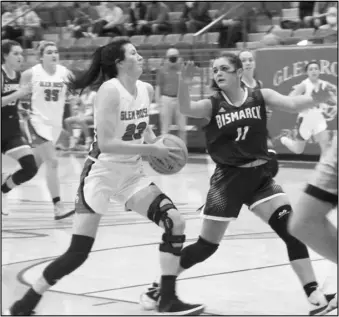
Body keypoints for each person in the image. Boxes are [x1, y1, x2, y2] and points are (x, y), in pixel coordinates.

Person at [5, 38, 205, 316]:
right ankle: (26, 302)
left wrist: (159, 145)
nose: (141, 57)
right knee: (78, 253)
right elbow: (108, 144)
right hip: (100, 175)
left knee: (175, 221)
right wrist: (151, 148)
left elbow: (144, 129)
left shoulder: (145, 89)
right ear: (120, 63)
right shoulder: (109, 92)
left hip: (131, 175)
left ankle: (166, 299)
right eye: (134, 53)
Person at [140, 52, 336, 315]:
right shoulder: (213, 104)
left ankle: (313, 294)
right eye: (215, 70)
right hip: (227, 181)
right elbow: (186, 109)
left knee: (292, 230)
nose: (218, 73)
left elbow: (291, 104)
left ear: (238, 72)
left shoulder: (260, 95)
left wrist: (316, 98)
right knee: (206, 247)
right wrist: (183, 83)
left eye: (223, 68)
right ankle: (157, 287)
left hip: (260, 178)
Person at [19, 41, 74, 220]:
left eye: (56, 51)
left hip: (54, 127)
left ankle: (5, 186)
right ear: (41, 56)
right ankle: (58, 206)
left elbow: (77, 89)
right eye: (49, 52)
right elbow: (17, 98)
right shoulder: (31, 74)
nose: (54, 55)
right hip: (37, 123)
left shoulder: (65, 73)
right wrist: (20, 110)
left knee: (31, 168)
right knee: (53, 162)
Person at [288, 134, 337, 314]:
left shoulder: (312, 115)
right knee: (301, 224)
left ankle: (331, 288)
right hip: (331, 160)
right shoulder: (307, 116)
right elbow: (298, 148)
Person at [1, 40, 38, 216]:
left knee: (30, 167)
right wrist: (19, 94)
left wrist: (21, 109)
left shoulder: (18, 75)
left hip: (11, 129)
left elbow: (10, 101)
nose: (20, 57)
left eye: (21, 53)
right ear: (5, 55)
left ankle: (3, 190)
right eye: (15, 53)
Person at [280, 60, 337, 156]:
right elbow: (289, 98)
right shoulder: (304, 84)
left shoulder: (324, 84)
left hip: (319, 118)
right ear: (307, 72)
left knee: (326, 147)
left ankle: (324, 170)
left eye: (316, 69)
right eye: (311, 69)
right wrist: (301, 101)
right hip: (305, 120)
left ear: (319, 71)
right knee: (298, 150)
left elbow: (334, 97)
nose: (313, 71)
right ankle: (284, 139)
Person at [238, 49, 278, 178]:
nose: (248, 63)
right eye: (243, 61)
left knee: (271, 165)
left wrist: (266, 113)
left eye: (250, 60)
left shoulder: (259, 84)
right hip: (241, 132)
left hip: (259, 130)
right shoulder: (236, 86)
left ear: (255, 63)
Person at [157, 48, 186, 143]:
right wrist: (158, 103)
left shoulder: (183, 69)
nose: (173, 60)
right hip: (166, 99)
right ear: (166, 58)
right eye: (171, 57)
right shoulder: (162, 70)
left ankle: (183, 150)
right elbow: (158, 87)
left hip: (180, 99)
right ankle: (163, 149)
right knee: (165, 129)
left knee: (182, 128)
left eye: (175, 57)